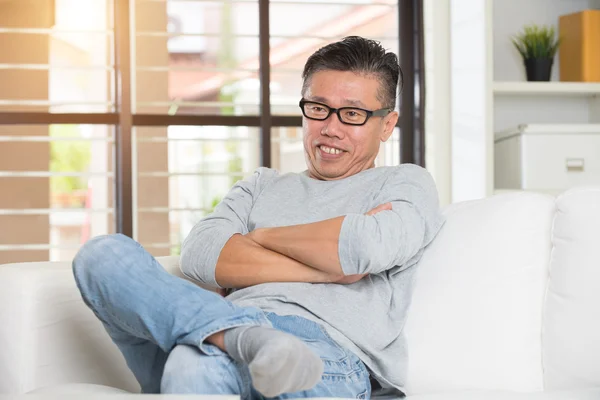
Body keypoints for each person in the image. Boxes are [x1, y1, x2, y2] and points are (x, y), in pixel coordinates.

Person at [72, 36, 445, 399]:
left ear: (386, 124)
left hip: (323, 353)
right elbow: (201, 253)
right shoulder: (261, 185)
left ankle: (228, 336)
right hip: (224, 330)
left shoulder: (404, 182)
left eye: (352, 114)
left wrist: (259, 237)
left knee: (192, 363)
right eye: (318, 108)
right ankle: (237, 336)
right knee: (101, 255)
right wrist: (327, 269)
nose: (331, 128)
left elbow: (360, 247)